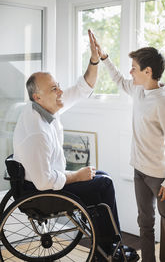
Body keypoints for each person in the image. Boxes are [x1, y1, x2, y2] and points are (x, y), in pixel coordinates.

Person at [13, 30, 137, 262]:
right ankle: (110, 250)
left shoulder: (46, 107)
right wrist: (77, 176)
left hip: (46, 181)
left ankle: (108, 246)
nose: (60, 91)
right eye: (54, 89)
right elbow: (44, 182)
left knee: (102, 177)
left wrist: (94, 58)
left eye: (58, 86)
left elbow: (83, 87)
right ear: (37, 97)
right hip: (42, 193)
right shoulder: (37, 132)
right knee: (104, 184)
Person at [89, 31, 165, 262]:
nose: (130, 71)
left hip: (159, 177)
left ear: (148, 72)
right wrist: (104, 57)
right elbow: (117, 79)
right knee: (145, 225)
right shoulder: (139, 90)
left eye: (134, 67)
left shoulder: (163, 102)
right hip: (139, 171)